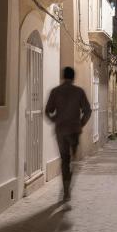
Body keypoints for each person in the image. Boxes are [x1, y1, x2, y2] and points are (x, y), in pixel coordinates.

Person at [45, 66, 91, 202]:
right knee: (74, 161)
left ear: (63, 76)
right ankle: (67, 187)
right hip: (74, 131)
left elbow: (48, 111)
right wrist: (81, 123)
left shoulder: (55, 92)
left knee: (65, 160)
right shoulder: (79, 92)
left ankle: (65, 190)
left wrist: (55, 120)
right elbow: (88, 110)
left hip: (61, 131)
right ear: (73, 77)